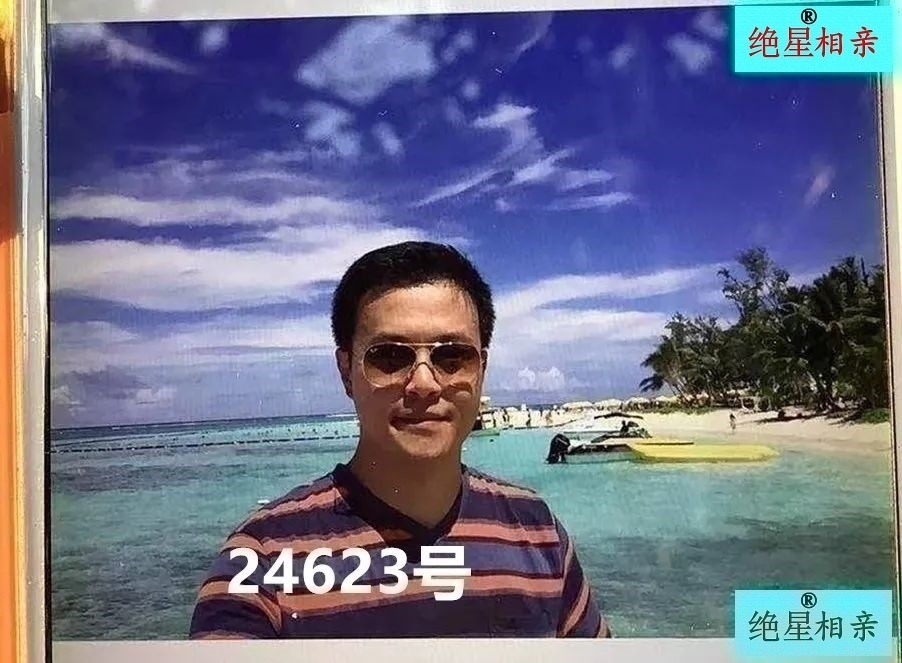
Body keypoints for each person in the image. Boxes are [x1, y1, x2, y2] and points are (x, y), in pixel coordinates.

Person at [189, 241, 611, 639]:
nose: (424, 384)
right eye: (390, 356)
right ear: (346, 372)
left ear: (481, 369)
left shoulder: (538, 533)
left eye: (452, 356)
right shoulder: (263, 560)